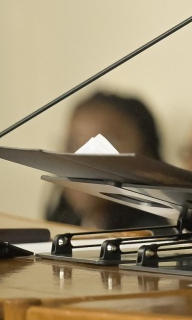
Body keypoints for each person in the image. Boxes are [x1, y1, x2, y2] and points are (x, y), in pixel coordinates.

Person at [44, 90, 172, 231]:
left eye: (102, 145)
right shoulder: (63, 231)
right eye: (72, 145)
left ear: (146, 155)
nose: (81, 159)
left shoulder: (151, 241)